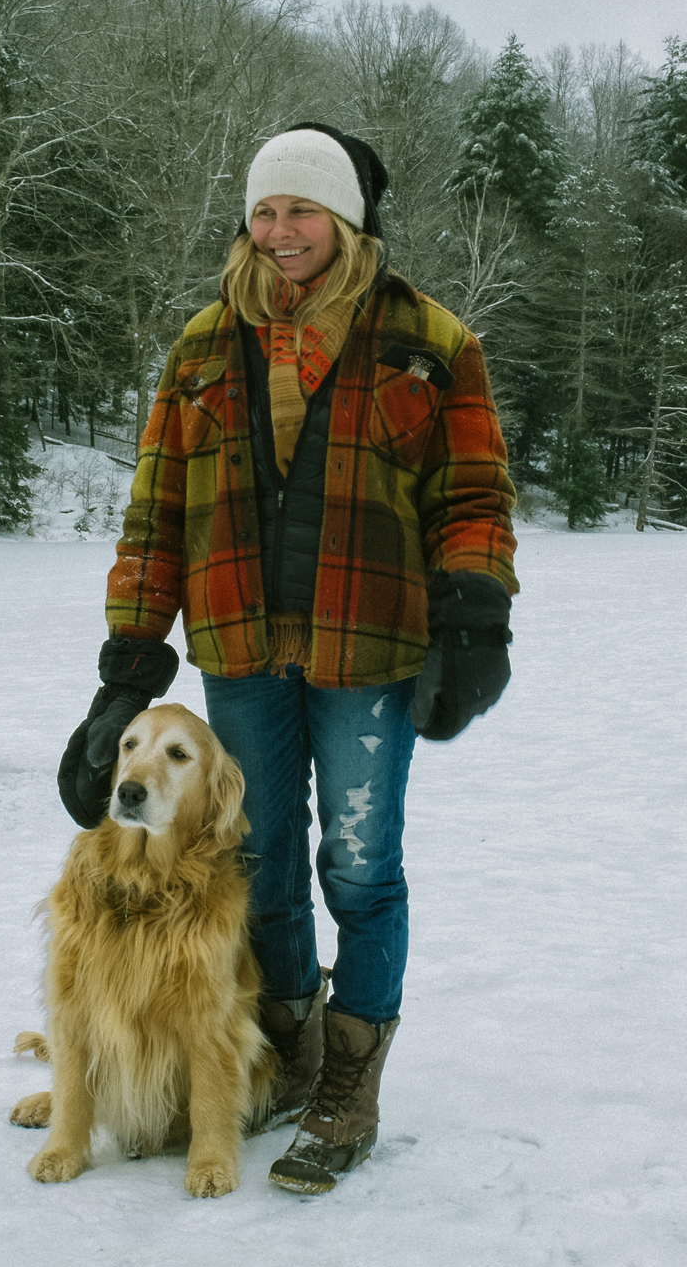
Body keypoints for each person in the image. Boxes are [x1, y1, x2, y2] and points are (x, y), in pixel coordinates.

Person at [58, 124, 519, 1196]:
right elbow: (155, 510)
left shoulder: (430, 339)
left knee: (358, 868)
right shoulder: (204, 345)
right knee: (254, 861)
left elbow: (474, 497)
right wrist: (130, 660)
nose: (278, 232)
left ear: (347, 220)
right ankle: (288, 1047)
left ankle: (349, 1085)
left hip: (370, 648)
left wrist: (475, 617)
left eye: (300, 211)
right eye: (264, 212)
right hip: (239, 645)